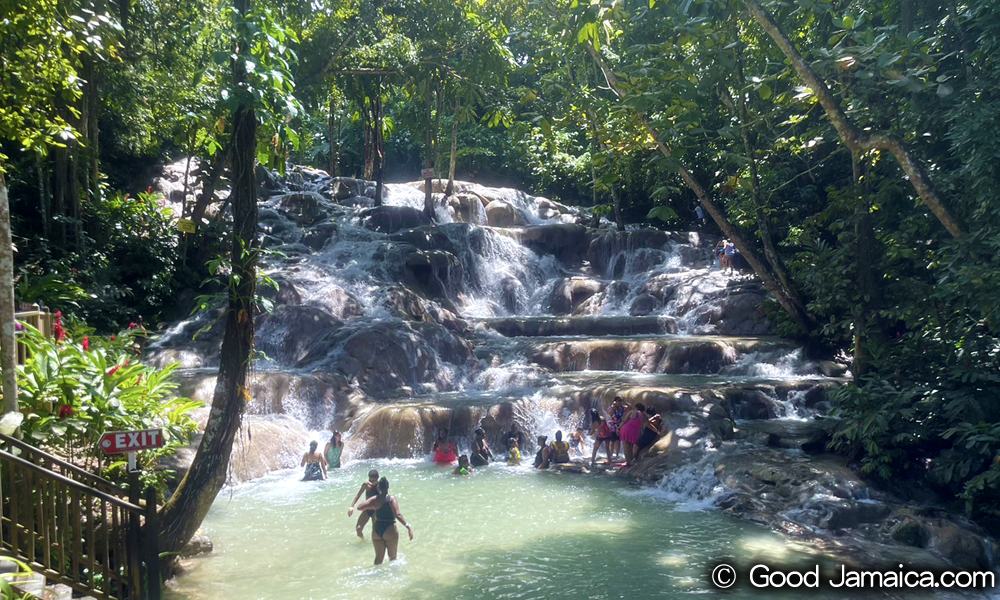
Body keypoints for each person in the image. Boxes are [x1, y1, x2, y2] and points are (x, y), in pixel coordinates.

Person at [353, 477, 414, 565]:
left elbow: (359, 507)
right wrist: (408, 527)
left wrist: (373, 506)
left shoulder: (374, 499)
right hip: (389, 528)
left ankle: (376, 577)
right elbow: (398, 515)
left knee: (378, 559)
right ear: (388, 486)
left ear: (378, 487)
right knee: (393, 558)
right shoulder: (391, 499)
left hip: (376, 530)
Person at [348, 469, 380, 539]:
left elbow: (385, 498)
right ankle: (363, 542)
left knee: (376, 531)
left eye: (373, 481)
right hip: (367, 509)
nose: (371, 482)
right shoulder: (366, 485)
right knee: (358, 528)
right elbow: (358, 495)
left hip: (377, 511)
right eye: (370, 480)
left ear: (377, 478)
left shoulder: (380, 486)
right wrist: (351, 507)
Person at [619, 403, 647, 467]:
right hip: (634, 432)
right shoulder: (643, 415)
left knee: (626, 447)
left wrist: (619, 428)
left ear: (636, 407)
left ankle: (627, 462)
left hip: (626, 429)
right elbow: (644, 425)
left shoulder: (631, 412)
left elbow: (624, 420)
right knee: (631, 447)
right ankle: (631, 461)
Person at [608, 397, 628, 461]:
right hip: (613, 427)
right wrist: (613, 406)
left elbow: (630, 408)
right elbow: (610, 414)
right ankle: (611, 454)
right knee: (612, 441)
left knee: (618, 441)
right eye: (618, 401)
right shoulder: (611, 408)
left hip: (620, 426)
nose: (620, 402)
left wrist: (625, 402)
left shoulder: (622, 407)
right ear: (615, 401)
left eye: (620, 401)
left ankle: (617, 454)